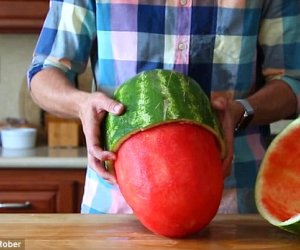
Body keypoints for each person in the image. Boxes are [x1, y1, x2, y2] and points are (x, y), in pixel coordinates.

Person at [27, 1, 300, 214]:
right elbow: (44, 73)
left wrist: (240, 112)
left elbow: (292, 81)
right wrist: (81, 104)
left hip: (234, 205)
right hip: (117, 207)